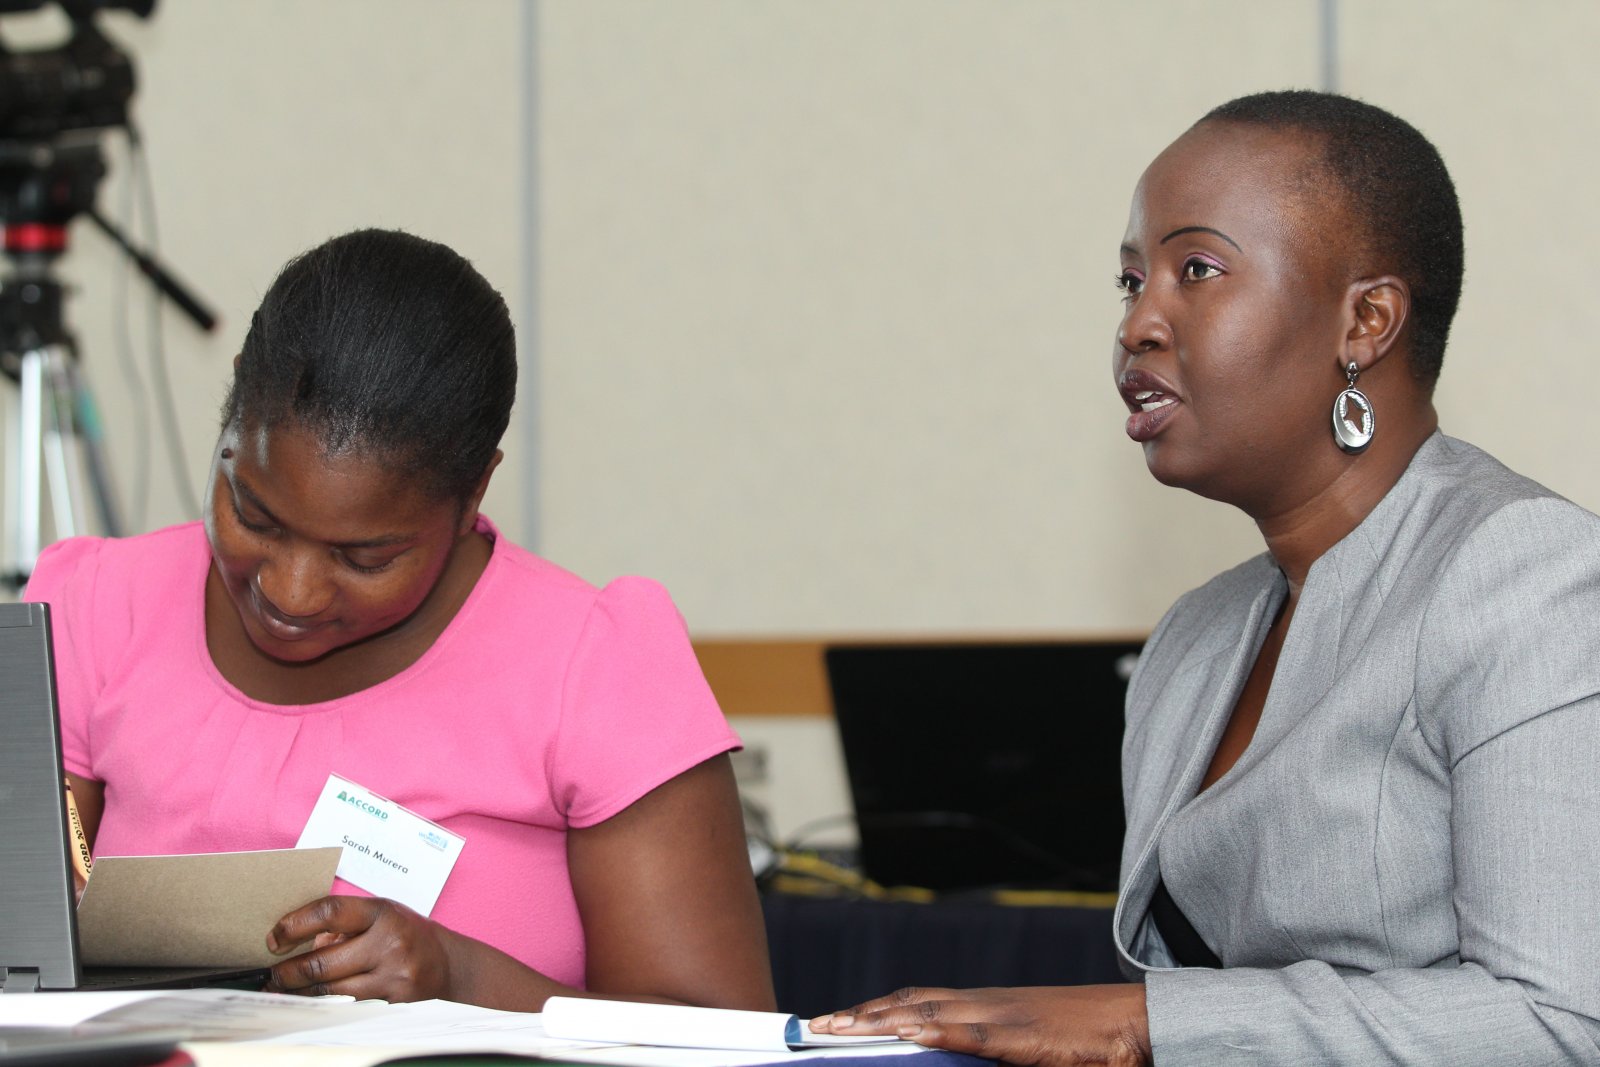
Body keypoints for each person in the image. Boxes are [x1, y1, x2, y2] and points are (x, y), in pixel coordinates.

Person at [809, 91, 1600, 1064]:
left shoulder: (1525, 572)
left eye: (1196, 270)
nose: (1139, 321)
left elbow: (1560, 1020)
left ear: (1366, 320)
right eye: (1130, 281)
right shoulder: (1197, 635)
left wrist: (1143, 1022)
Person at [24, 228, 776, 1012]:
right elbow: (29, 933)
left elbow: (718, 1034)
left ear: (473, 493)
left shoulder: (593, 665)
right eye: (254, 514)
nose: (293, 591)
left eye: (366, 557)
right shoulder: (95, 607)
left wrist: (469, 980)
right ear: (230, 415)